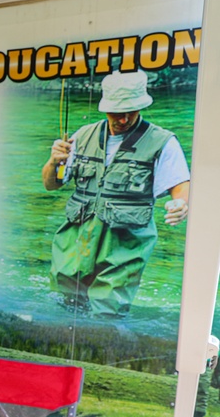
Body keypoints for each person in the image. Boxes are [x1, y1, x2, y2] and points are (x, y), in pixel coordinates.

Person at [42, 69, 190, 317]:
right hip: (76, 238)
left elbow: (180, 185)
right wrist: (52, 162)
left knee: (108, 308)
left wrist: (181, 204)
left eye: (131, 111)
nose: (124, 119)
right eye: (117, 112)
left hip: (125, 242)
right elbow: (51, 184)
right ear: (105, 107)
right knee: (63, 301)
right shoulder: (82, 135)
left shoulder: (163, 142)